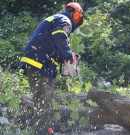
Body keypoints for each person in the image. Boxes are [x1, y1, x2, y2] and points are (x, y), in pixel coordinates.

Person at [19, 2, 84, 135]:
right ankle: (43, 131)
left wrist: (64, 57)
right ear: (76, 14)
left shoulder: (54, 18)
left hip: (35, 61)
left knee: (41, 100)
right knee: (44, 101)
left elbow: (52, 42)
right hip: (39, 62)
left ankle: (40, 129)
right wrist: (69, 55)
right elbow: (59, 36)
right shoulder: (65, 20)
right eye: (78, 19)